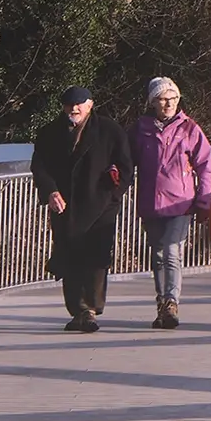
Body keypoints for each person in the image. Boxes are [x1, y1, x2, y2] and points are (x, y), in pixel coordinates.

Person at [30, 86, 132, 332]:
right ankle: (79, 310)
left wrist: (113, 196)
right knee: (69, 256)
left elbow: (126, 166)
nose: (73, 109)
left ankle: (91, 308)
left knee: (96, 258)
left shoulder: (110, 130)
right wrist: (51, 191)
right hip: (65, 205)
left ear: (90, 104)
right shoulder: (49, 133)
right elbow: (39, 167)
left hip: (101, 205)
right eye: (69, 104)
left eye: (79, 104)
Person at [131, 75, 211, 329]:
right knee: (158, 255)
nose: (169, 104)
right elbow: (125, 160)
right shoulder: (139, 130)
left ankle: (171, 301)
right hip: (151, 202)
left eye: (173, 99)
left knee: (171, 252)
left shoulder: (189, 128)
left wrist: (204, 199)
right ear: (152, 102)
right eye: (163, 99)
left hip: (181, 203)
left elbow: (206, 166)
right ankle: (162, 303)